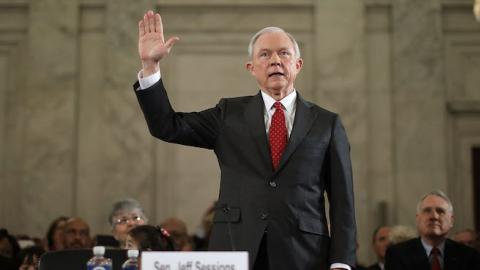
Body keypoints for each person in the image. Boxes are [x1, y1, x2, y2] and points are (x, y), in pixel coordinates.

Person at [133, 10, 356, 270]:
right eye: (265, 54)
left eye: (284, 53)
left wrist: (342, 262)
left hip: (304, 254)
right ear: (251, 68)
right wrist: (151, 67)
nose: (275, 61)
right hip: (236, 248)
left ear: (298, 64)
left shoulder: (327, 123)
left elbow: (343, 202)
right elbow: (167, 126)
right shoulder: (228, 114)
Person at [385, 190, 480, 270]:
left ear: (451, 221)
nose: (434, 216)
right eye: (427, 211)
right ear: (418, 219)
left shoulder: (469, 256)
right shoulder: (397, 255)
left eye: (440, 211)